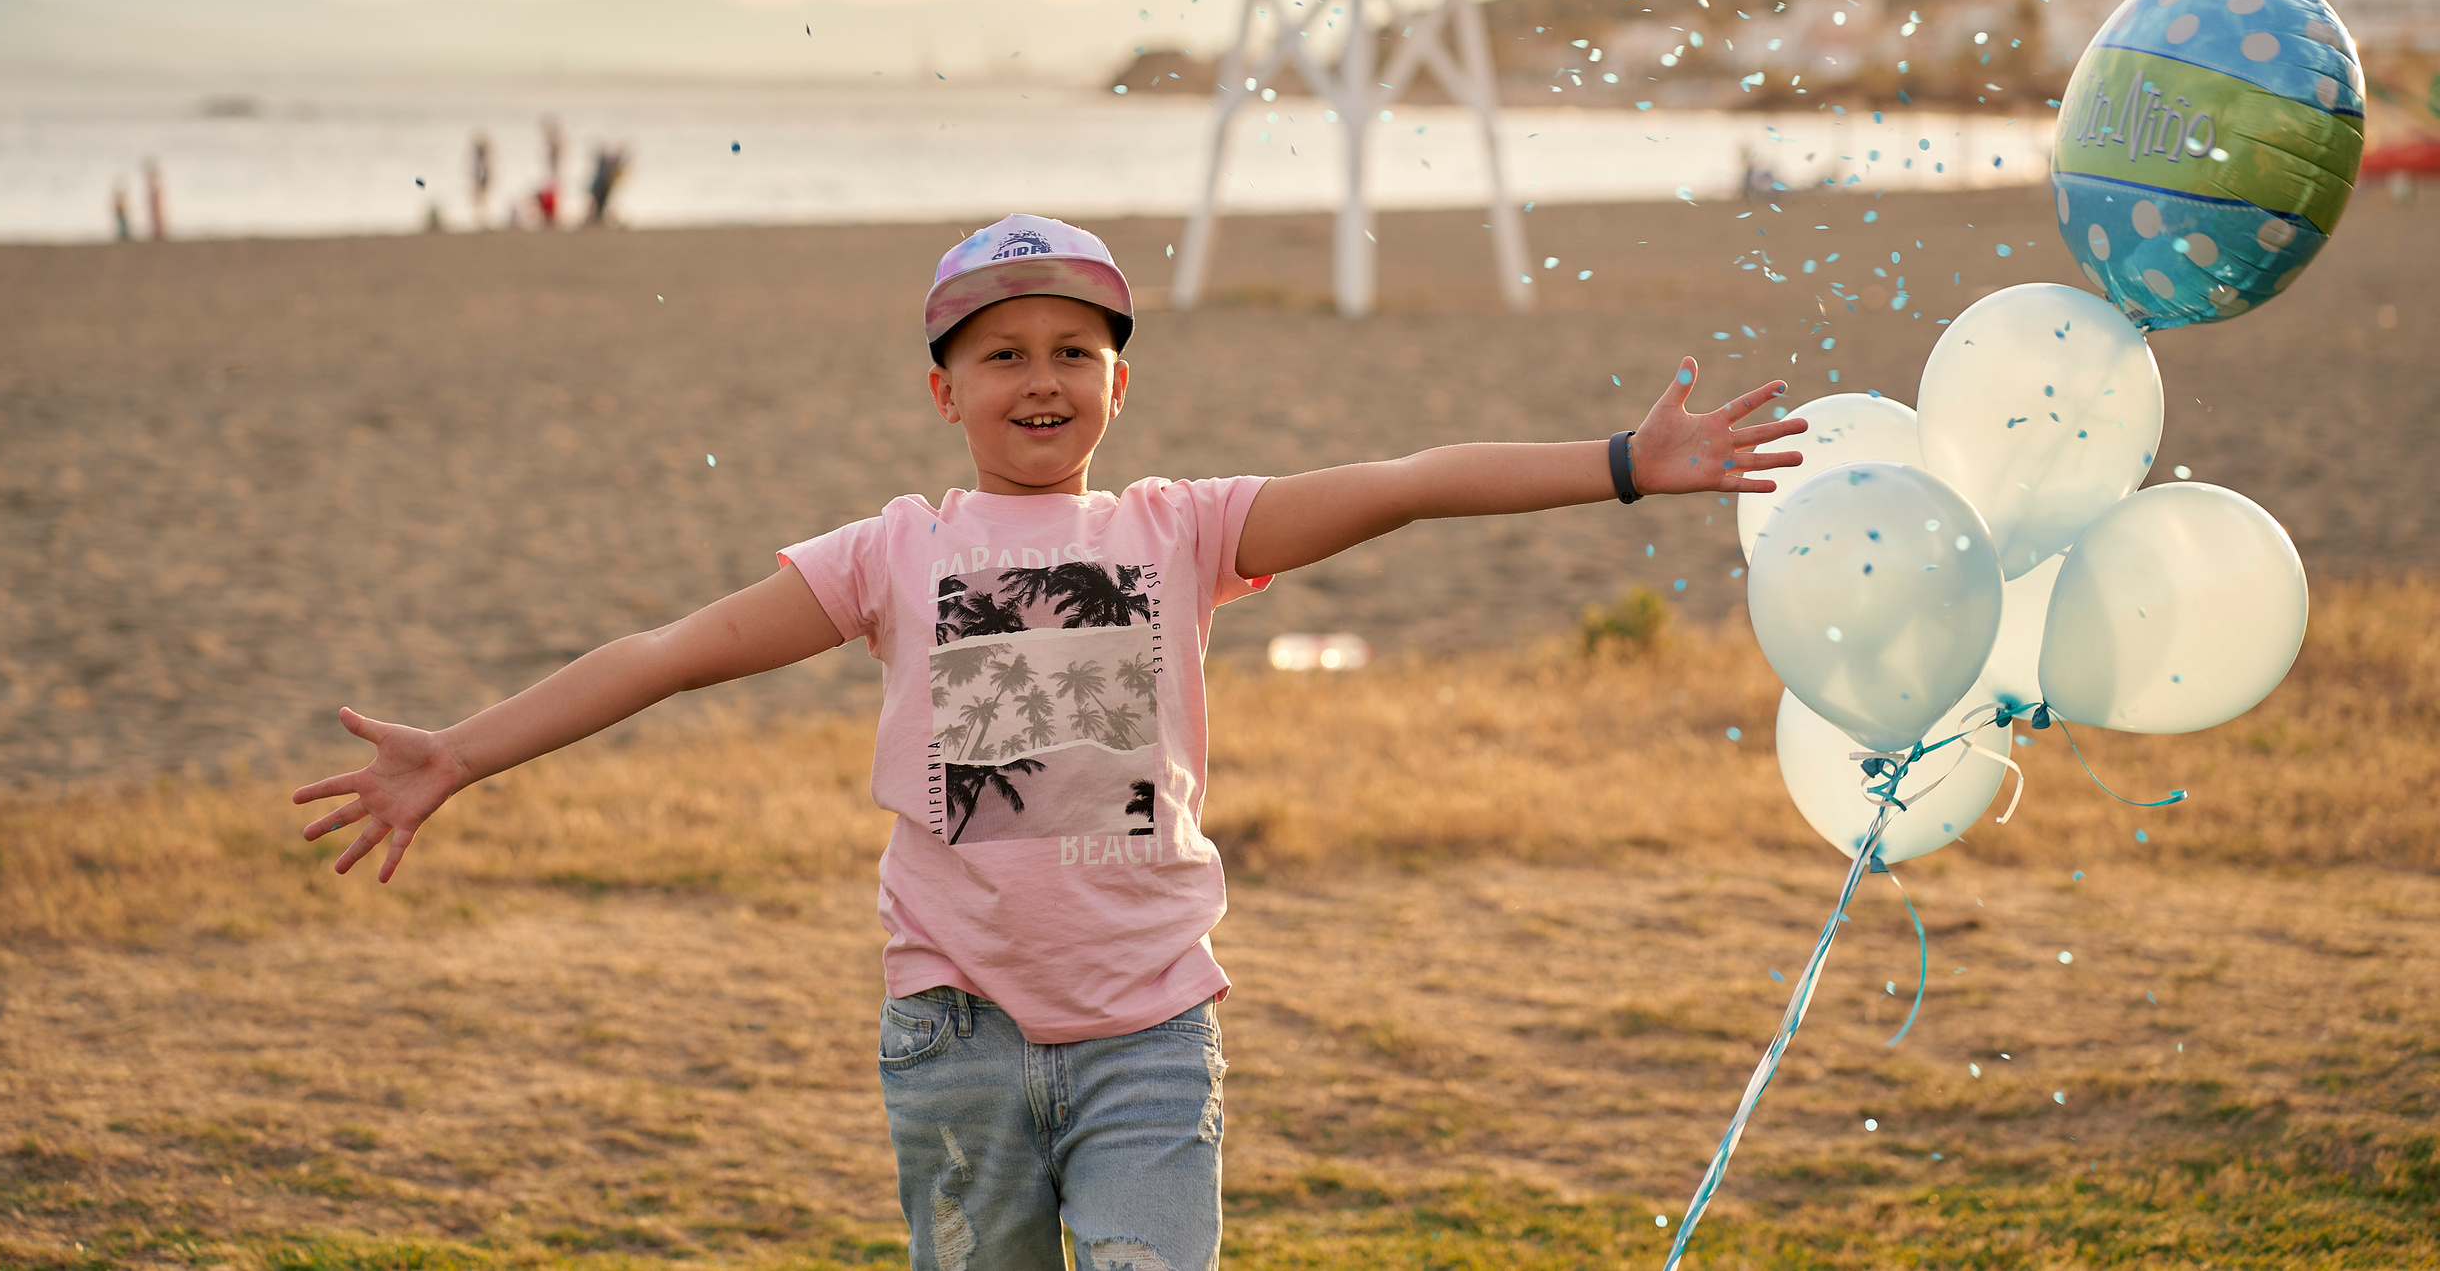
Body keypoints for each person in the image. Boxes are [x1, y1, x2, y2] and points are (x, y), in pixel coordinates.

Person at [293, 213, 1803, 1271]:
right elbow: (673, 653)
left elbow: (1406, 479)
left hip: (1149, 1026)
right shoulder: (888, 551)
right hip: (955, 1032)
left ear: (1118, 381)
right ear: (942, 386)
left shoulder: (1185, 528)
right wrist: (465, 751)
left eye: (1074, 348)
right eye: (1001, 351)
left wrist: (1619, 462)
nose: (1039, 377)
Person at [470, 131, 495, 229]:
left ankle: (482, 219)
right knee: (481, 199)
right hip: (481, 179)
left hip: (481, 179)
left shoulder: (480, 158)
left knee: (481, 199)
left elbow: (483, 171)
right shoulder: (480, 158)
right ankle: (480, 219)